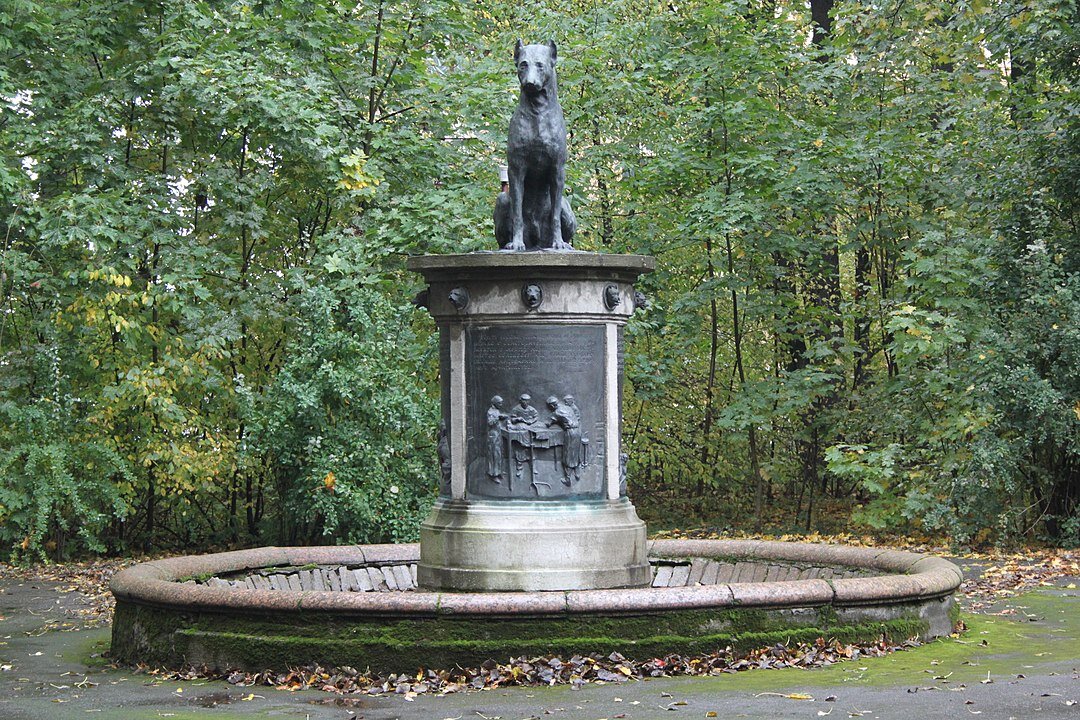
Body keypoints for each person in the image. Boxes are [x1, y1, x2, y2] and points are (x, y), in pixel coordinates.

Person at [509, 394, 538, 483]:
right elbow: (512, 419)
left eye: (528, 401)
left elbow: (536, 416)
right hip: (520, 428)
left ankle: (533, 467)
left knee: (531, 448)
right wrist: (518, 419)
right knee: (520, 448)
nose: (526, 402)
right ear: (520, 400)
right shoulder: (516, 409)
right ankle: (519, 467)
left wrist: (531, 421)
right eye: (524, 400)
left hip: (530, 428)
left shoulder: (531, 409)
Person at [485, 395, 507, 482]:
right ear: (494, 403)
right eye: (499, 403)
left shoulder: (496, 410)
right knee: (494, 455)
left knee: (498, 454)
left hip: (497, 434)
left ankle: (499, 472)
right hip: (492, 436)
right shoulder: (490, 412)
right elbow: (490, 422)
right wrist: (498, 418)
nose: (501, 404)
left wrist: (500, 415)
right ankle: (493, 474)